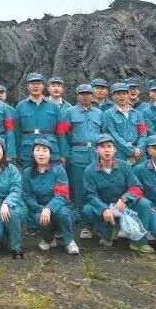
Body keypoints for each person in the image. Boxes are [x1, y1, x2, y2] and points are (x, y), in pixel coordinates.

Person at [80, 135, 155, 253]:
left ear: (114, 150)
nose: (106, 150)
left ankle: (139, 242)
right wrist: (104, 209)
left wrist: (125, 199)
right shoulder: (90, 170)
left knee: (144, 203)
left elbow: (136, 187)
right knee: (87, 209)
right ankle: (108, 232)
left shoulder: (124, 166)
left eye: (109, 146)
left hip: (125, 206)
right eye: (102, 147)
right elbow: (90, 195)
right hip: (105, 208)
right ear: (96, 150)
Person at [22, 139, 79, 255]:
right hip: (39, 209)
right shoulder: (27, 173)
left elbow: (62, 195)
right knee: (40, 218)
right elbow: (27, 196)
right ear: (33, 153)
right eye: (37, 150)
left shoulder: (59, 170)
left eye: (45, 150)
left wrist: (49, 208)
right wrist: (41, 208)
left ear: (50, 154)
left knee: (63, 213)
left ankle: (69, 241)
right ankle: (48, 239)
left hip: (60, 207)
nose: (41, 154)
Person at [65, 83, 103, 238]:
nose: (85, 96)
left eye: (88, 93)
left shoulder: (99, 113)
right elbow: (65, 134)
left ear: (92, 95)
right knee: (80, 191)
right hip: (78, 154)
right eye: (82, 94)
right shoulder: (70, 112)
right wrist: (67, 153)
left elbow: (103, 134)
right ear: (77, 95)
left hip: (96, 155)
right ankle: (84, 224)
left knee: (97, 189)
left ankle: (98, 222)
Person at [14, 73, 70, 166]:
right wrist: (17, 153)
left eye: (38, 83)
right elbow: (17, 132)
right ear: (28, 86)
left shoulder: (53, 106)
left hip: (50, 149)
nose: (36, 86)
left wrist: (63, 154)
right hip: (27, 150)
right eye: (32, 83)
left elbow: (61, 131)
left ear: (43, 86)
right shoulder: (20, 106)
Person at [100, 82, 147, 164]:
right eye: (118, 94)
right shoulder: (107, 114)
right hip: (119, 154)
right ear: (113, 96)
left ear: (128, 95)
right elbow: (113, 135)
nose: (122, 96)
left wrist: (139, 149)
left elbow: (143, 133)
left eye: (124, 93)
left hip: (139, 155)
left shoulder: (138, 114)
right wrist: (131, 151)